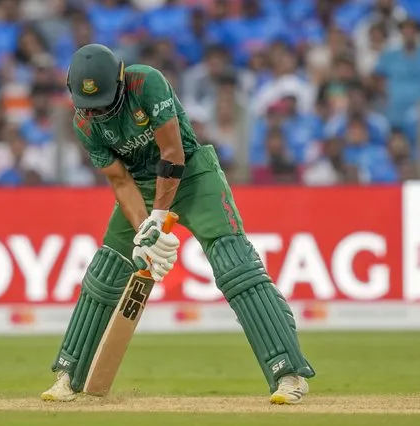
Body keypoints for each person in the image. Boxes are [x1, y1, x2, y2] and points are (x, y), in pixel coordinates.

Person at [41, 44, 315, 405]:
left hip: (193, 175)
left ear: (120, 82)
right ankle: (68, 375)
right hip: (139, 183)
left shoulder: (146, 83)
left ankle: (288, 374)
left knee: (236, 267)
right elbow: (120, 182)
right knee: (106, 273)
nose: (98, 113)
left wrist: (158, 219)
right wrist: (143, 232)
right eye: (90, 107)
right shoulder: (83, 123)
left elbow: (173, 153)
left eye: (105, 104)